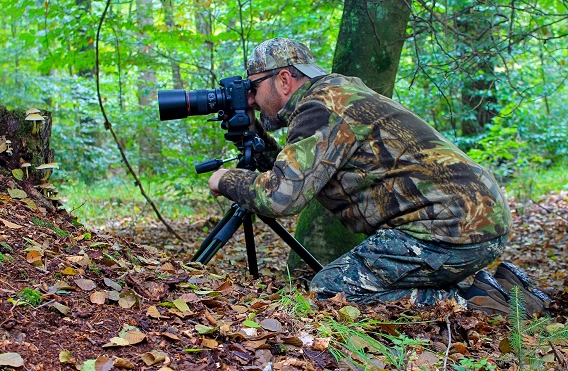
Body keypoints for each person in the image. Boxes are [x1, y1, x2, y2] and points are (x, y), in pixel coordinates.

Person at [207, 37, 550, 315]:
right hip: (473, 218)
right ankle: (494, 288)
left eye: (252, 88)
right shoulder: (336, 95)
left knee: (330, 291)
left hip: (449, 230)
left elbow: (281, 197)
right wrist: (253, 135)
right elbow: (299, 173)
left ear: (284, 79)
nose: (250, 99)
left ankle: (484, 305)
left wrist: (226, 179)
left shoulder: (318, 109)